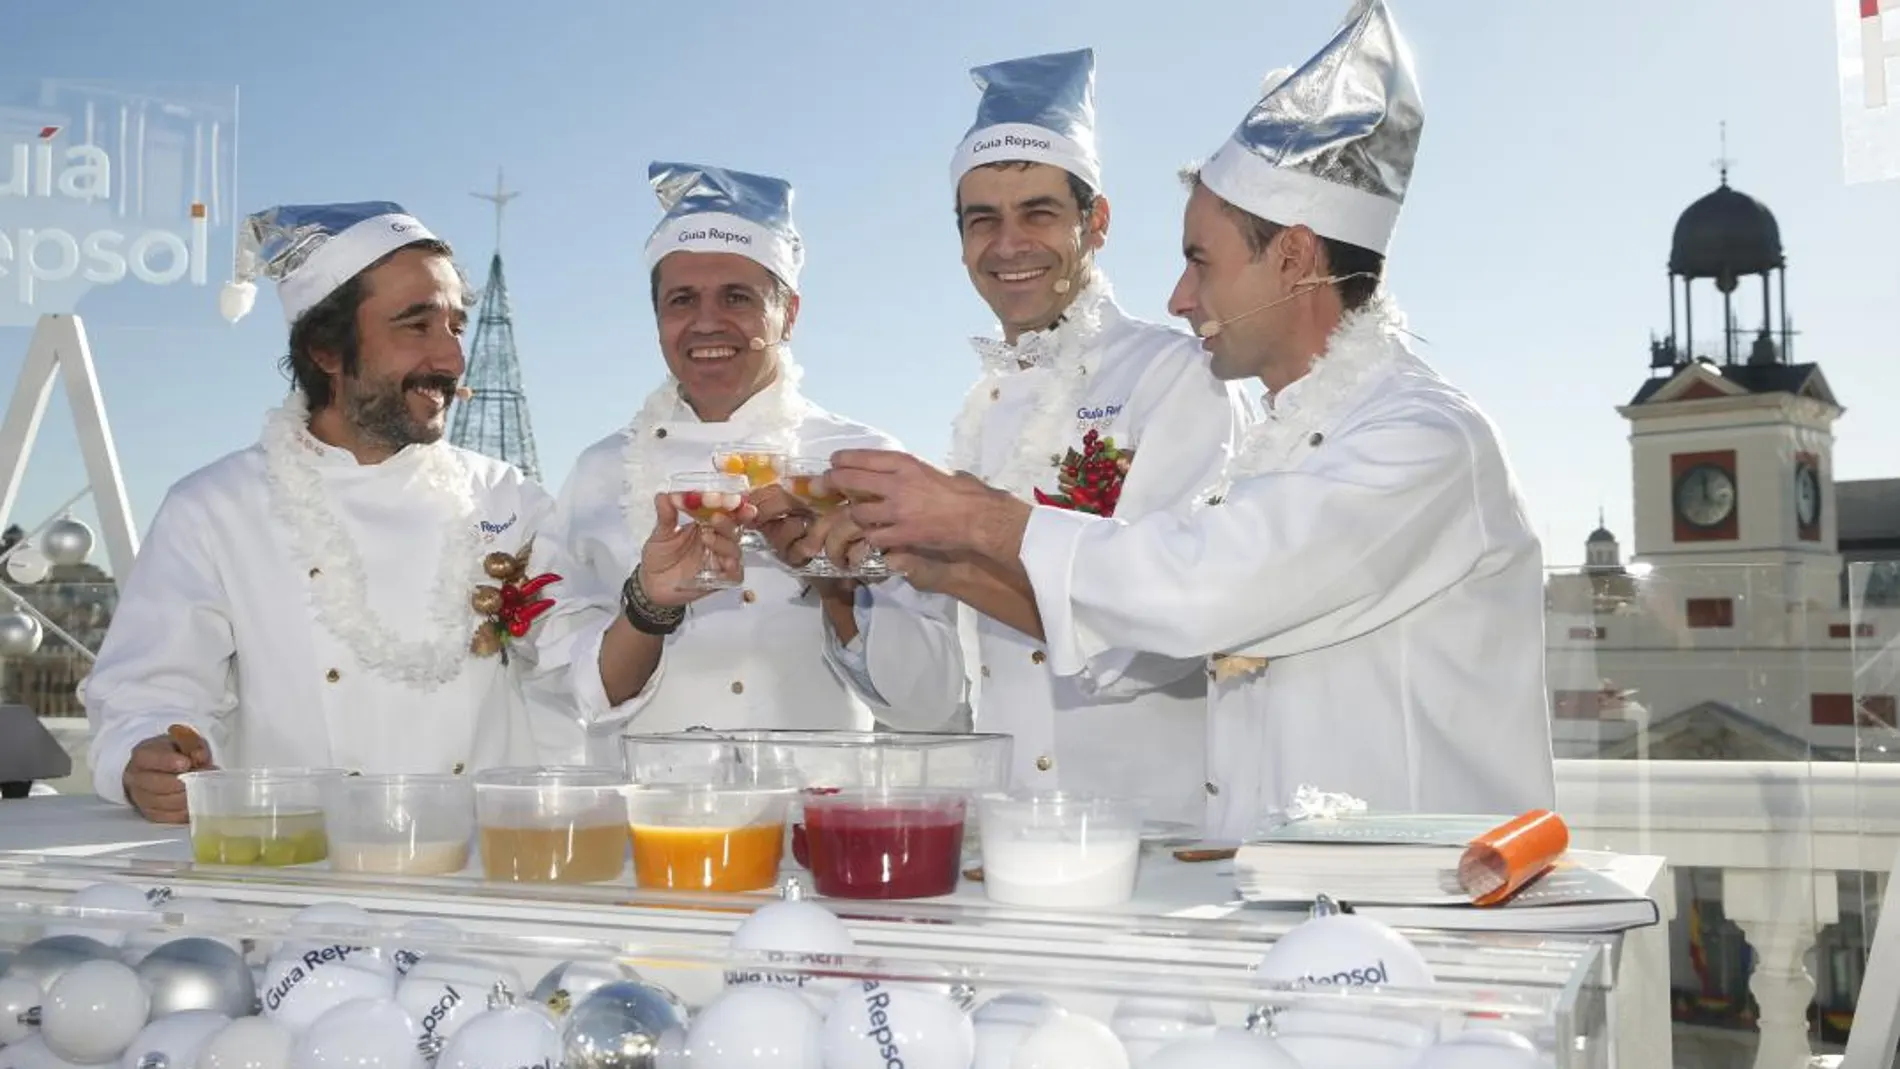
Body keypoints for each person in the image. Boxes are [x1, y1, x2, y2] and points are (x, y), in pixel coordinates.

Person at [829, 0, 1557, 839]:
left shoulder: (1425, 440)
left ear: (1293, 257)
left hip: (1425, 914)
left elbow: (1201, 587)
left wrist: (972, 521)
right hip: (1294, 897)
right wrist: (935, 560)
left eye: (1200, 262)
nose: (1179, 300)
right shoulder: (1294, 441)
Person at [787, 49, 1253, 827]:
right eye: (983, 220)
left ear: (1095, 222)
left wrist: (959, 546)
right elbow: (933, 702)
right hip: (1007, 832)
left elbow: (1164, 638)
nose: (1008, 244)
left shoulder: (1178, 377)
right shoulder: (979, 414)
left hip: (1154, 834)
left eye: (1038, 212)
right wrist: (842, 582)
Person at [82, 202, 559, 823]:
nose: (451, 360)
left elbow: (583, 664)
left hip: (479, 872)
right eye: (416, 326)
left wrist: (648, 602)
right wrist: (144, 757)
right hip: (298, 876)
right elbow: (146, 694)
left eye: (455, 327)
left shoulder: (508, 498)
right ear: (326, 350)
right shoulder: (215, 508)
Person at [527, 162, 922, 765]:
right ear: (657, 318)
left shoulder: (865, 464)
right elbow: (570, 693)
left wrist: (838, 590)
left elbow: (927, 701)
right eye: (681, 300)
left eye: (737, 297)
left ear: (789, 313)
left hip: (813, 825)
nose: (706, 322)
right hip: (651, 829)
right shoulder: (599, 472)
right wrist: (649, 605)